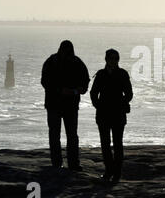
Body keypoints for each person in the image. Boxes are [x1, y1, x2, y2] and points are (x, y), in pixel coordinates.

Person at [41, 40, 90, 171]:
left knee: (66, 135)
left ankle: (66, 163)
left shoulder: (58, 61)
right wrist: (60, 90)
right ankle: (63, 163)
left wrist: (81, 88)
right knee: (62, 135)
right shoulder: (56, 62)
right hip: (57, 105)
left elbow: (85, 80)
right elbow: (45, 81)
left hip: (66, 105)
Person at [90, 48, 133, 183]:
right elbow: (93, 93)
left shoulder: (122, 74)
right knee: (105, 144)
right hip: (103, 114)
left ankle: (117, 173)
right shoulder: (101, 74)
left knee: (118, 144)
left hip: (118, 114)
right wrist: (99, 106)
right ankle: (109, 170)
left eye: (115, 58)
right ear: (106, 59)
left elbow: (129, 94)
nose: (113, 61)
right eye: (111, 58)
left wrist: (121, 103)